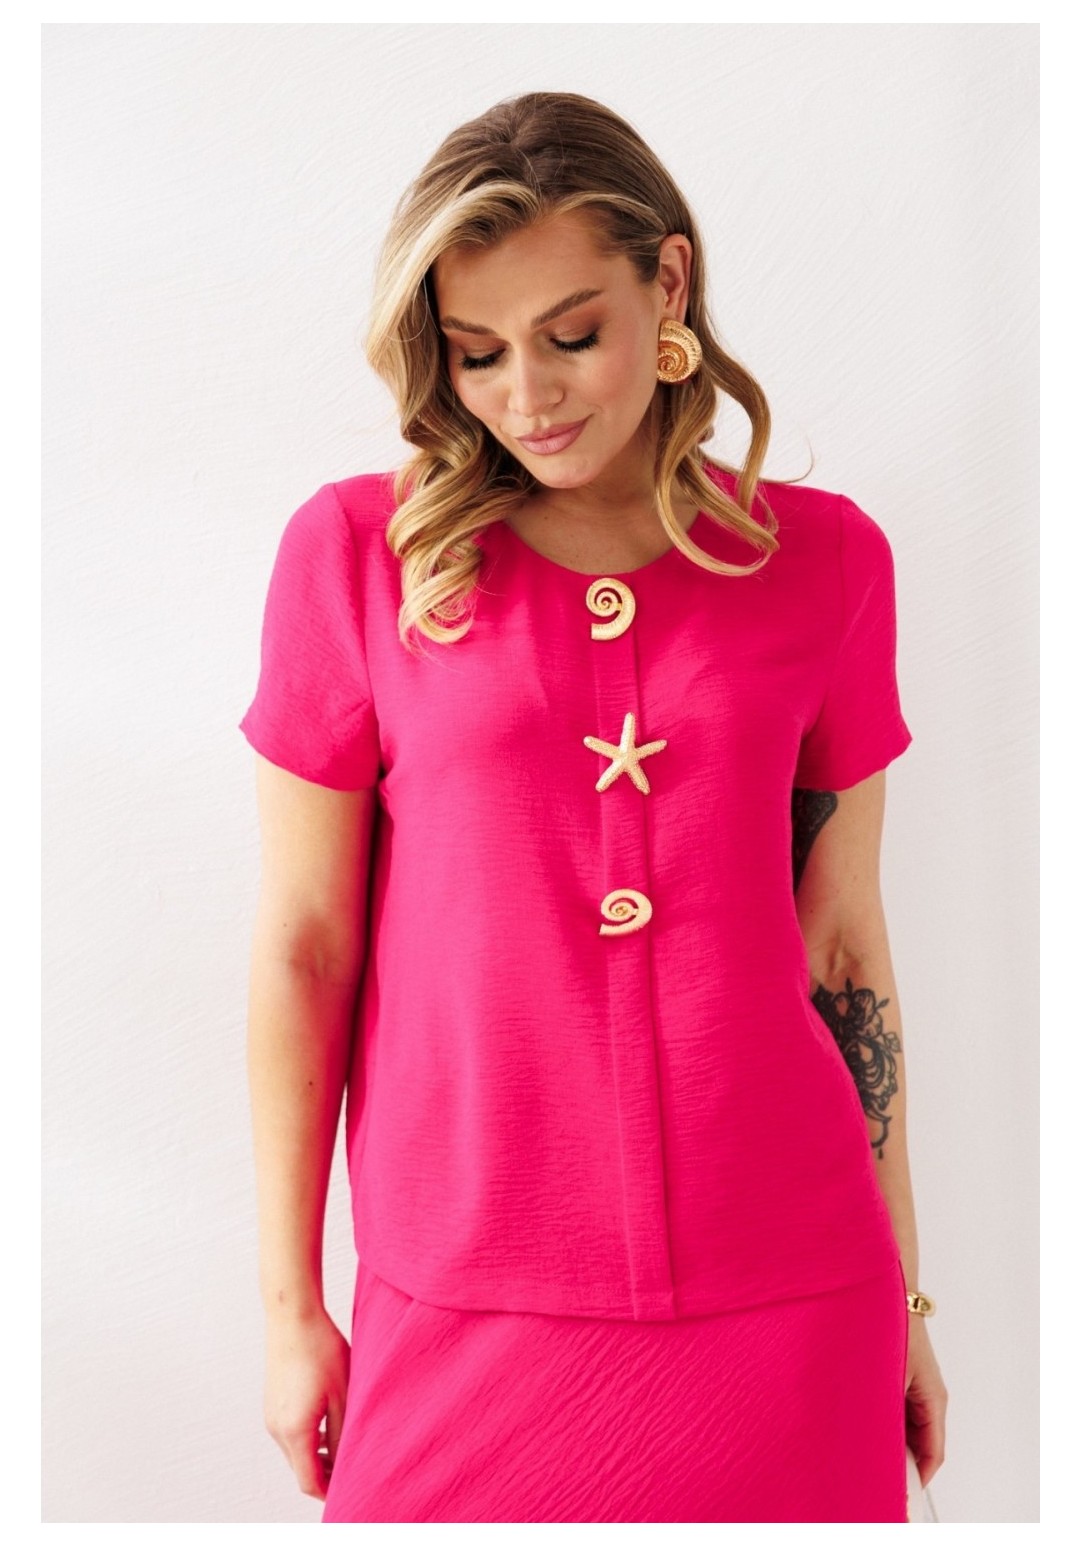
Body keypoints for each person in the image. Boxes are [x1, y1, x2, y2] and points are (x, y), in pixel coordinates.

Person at [239, 92, 948, 1525]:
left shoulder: (825, 561)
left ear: (667, 284)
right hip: (463, 1282)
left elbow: (844, 952)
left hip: (792, 1283)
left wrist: (909, 1295)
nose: (528, 396)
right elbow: (306, 947)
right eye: (478, 352)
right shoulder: (360, 557)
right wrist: (290, 1305)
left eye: (572, 335)